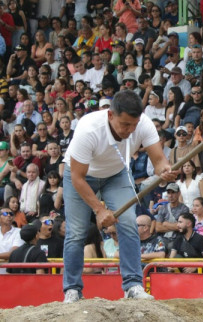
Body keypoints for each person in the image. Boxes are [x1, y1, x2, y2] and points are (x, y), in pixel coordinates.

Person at [62, 90, 173, 303]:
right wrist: (99, 209)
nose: (130, 131)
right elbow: (77, 177)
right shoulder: (89, 128)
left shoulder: (144, 124)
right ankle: (72, 289)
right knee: (76, 232)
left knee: (129, 222)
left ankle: (133, 285)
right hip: (81, 176)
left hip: (117, 174)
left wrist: (165, 170)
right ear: (110, 115)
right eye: (125, 125)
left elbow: (159, 161)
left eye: (134, 124)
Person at [154, 182, 190, 253]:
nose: (170, 195)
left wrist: (165, 224)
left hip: (177, 239)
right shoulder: (162, 208)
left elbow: (182, 227)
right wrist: (175, 225)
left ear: (179, 193)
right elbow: (158, 228)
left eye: (173, 192)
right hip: (163, 238)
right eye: (169, 193)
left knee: (172, 248)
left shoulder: (184, 209)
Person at [0, 207, 23, 274]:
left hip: (10, 274)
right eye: (5, 214)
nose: (9, 215)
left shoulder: (18, 232)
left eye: (11, 214)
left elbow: (13, 253)